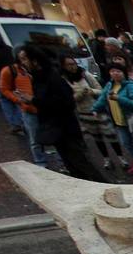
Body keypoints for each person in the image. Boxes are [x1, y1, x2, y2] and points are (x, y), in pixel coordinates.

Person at [21, 46, 102, 182]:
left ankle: (106, 190)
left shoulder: (52, 77)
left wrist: (34, 100)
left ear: (34, 60)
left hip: (66, 129)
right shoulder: (38, 78)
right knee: (73, 166)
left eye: (24, 59)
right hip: (55, 129)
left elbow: (66, 102)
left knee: (82, 164)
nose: (22, 63)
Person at [92, 62, 133, 178]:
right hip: (119, 121)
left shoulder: (131, 86)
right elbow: (102, 99)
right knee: (127, 143)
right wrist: (95, 109)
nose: (115, 73)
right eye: (112, 71)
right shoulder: (109, 85)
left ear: (123, 73)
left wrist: (119, 98)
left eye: (118, 71)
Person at [61, 55, 124, 171]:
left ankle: (121, 158)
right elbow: (69, 98)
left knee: (110, 135)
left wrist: (91, 91)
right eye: (69, 65)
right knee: (97, 137)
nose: (72, 67)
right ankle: (107, 159)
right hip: (83, 112)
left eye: (73, 63)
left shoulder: (85, 75)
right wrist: (78, 95)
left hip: (98, 110)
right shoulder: (64, 80)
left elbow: (101, 90)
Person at [1, 50, 52, 167]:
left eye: (26, 58)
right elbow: (4, 89)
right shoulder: (9, 71)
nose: (25, 61)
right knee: (34, 138)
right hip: (29, 109)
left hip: (44, 107)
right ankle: (41, 163)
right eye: (22, 58)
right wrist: (18, 100)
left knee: (53, 135)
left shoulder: (38, 70)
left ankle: (60, 162)